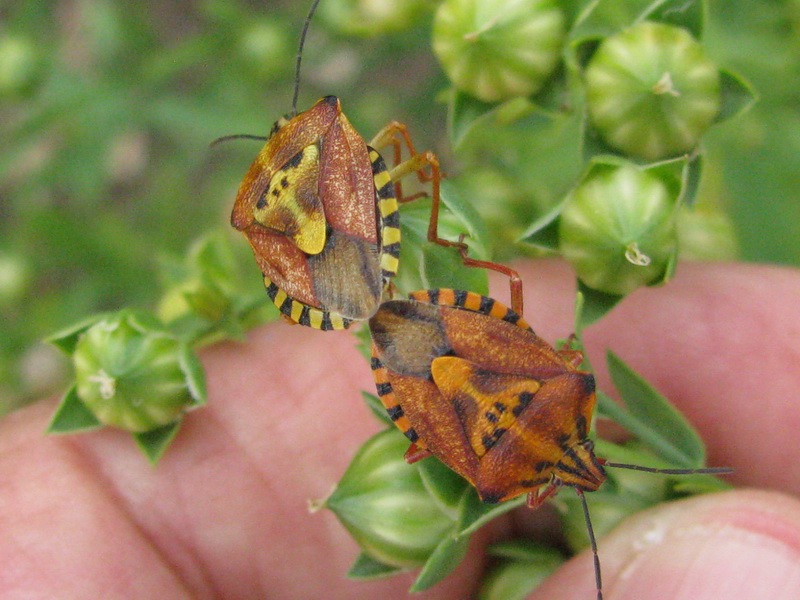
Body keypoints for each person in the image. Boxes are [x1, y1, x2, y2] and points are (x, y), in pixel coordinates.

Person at [2, 260, 799, 599]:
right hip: (425, 370)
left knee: (501, 325)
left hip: (443, 348)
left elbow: (455, 424)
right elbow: (430, 443)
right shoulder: (506, 469)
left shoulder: (561, 392)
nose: (582, 473)